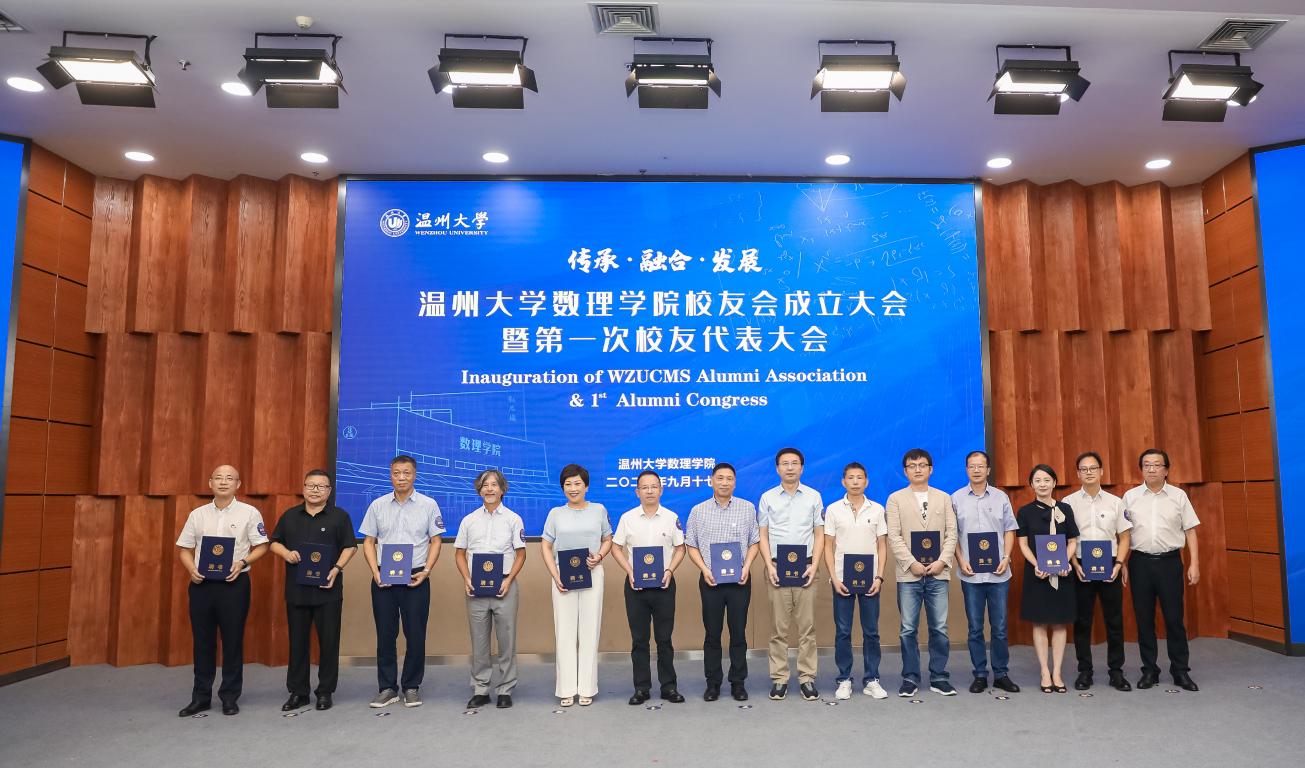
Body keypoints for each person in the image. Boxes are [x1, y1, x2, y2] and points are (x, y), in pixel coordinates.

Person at [175, 465, 269, 717]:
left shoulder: (250, 513)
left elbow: (262, 546)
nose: (223, 482)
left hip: (234, 584)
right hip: (201, 585)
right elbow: (184, 549)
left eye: (229, 478)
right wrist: (191, 569)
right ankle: (200, 697)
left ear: (238, 484)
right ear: (210, 483)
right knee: (202, 642)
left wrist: (242, 562)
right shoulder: (197, 514)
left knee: (232, 641)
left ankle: (229, 696)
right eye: (218, 477)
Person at [359, 454, 445, 709]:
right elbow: (368, 541)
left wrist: (427, 570)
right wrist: (374, 571)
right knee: (385, 634)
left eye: (406, 473)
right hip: (383, 577)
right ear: (390, 475)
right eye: (396, 473)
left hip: (416, 577)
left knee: (415, 634)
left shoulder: (429, 504)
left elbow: (436, 540)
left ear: (414, 475)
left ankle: (411, 686)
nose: (401, 478)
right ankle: (387, 688)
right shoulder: (377, 505)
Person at [268, 469, 357, 711]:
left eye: (321, 486)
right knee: (298, 643)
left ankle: (325, 691)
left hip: (328, 590)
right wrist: (286, 553)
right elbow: (274, 542)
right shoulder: (290, 516)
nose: (315, 490)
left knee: (329, 643)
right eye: (310, 485)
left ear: (329, 491)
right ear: (304, 488)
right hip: (297, 590)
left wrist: (337, 568)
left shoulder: (340, 517)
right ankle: (298, 692)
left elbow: (350, 547)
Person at [1122, 448, 1200, 692]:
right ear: (1141, 469)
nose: (1152, 469)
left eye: (1157, 465)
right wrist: (1122, 563)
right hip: (1140, 563)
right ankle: (1149, 670)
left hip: (1169, 563)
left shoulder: (1179, 496)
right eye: (1147, 465)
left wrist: (1195, 563)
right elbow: (1123, 534)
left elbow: (1190, 531)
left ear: (1166, 470)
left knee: (1174, 619)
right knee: (1144, 619)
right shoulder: (1130, 497)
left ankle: (1180, 671)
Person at [684, 462, 760, 702]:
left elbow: (754, 542)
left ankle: (738, 683)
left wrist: (746, 567)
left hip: (740, 581)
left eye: (729, 479)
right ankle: (713, 683)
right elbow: (691, 545)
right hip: (711, 581)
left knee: (738, 633)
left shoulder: (747, 508)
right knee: (712, 634)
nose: (724, 483)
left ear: (735, 482)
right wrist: (704, 569)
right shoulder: (698, 511)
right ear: (711, 481)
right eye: (720, 478)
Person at [885, 448, 958, 697]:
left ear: (931, 469)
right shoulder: (895, 499)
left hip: (938, 573)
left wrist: (942, 561)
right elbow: (894, 536)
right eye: (912, 466)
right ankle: (910, 677)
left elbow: (952, 534)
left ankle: (939, 677)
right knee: (908, 629)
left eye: (922, 465)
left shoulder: (944, 498)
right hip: (909, 575)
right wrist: (911, 563)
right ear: (905, 471)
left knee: (940, 628)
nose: (917, 469)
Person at [610, 470, 687, 705]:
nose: (650, 491)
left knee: (664, 638)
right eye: (645, 487)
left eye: (654, 486)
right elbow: (615, 547)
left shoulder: (671, 517)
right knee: (639, 639)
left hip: (664, 585)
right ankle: (641, 688)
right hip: (636, 587)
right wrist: (629, 571)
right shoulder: (627, 518)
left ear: (661, 490)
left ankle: (669, 686)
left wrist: (670, 570)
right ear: (637, 492)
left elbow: (680, 548)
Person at [454, 469, 528, 709]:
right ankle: (481, 689)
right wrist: (466, 578)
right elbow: (459, 554)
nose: (489, 489)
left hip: (504, 586)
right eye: (485, 485)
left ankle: (505, 689)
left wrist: (509, 580)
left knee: (507, 640)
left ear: (502, 489)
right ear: (479, 490)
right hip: (475, 588)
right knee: (479, 642)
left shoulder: (513, 519)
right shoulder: (469, 520)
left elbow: (520, 554)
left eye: (494, 484)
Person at [541, 463, 613, 707]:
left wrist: (599, 556)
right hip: (563, 576)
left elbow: (607, 539)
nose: (573, 488)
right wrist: (555, 574)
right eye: (568, 484)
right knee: (564, 631)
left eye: (577, 483)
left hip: (593, 574)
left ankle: (586, 688)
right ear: (563, 488)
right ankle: (566, 689)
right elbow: (546, 545)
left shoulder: (599, 510)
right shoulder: (555, 514)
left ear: (586, 486)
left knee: (590, 630)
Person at [758, 447, 825, 701]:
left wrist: (814, 564)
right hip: (777, 568)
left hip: (806, 567)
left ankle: (807, 678)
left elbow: (819, 533)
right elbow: (763, 534)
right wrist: (769, 565)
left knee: (807, 627)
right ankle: (779, 678)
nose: (789, 467)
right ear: (777, 468)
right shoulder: (767, 498)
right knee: (779, 628)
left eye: (794, 463)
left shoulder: (813, 496)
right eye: (785, 463)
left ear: (802, 468)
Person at [951, 450, 1020, 694]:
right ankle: (980, 674)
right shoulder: (956, 498)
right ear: (966, 470)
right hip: (970, 574)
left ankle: (1001, 673)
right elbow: (952, 535)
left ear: (988, 470)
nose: (976, 470)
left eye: (981, 466)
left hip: (999, 573)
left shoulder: (1001, 497)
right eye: (972, 466)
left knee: (999, 627)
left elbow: (1010, 529)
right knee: (975, 628)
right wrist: (960, 560)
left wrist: (1006, 557)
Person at [1064, 451, 1132, 692]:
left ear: (1101, 471)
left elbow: (1124, 537)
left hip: (1110, 565)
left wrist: (1119, 564)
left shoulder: (1116, 502)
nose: (1089, 472)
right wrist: (1074, 564)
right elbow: (1066, 538)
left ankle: (1116, 672)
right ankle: (1085, 671)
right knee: (1082, 621)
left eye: (1093, 468)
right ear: (1078, 474)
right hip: (1080, 565)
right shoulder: (1069, 503)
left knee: (1114, 620)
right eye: (1084, 469)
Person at [822, 461, 888, 700]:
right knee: (843, 631)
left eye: (860, 477)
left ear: (866, 481)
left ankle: (872, 679)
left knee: (871, 631)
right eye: (851, 478)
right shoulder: (833, 509)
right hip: (842, 580)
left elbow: (882, 546)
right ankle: (844, 679)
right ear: (843, 482)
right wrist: (834, 577)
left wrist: (879, 577)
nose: (855, 482)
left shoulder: (877, 509)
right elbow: (828, 546)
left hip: (871, 580)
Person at [1016, 464, 1080, 694]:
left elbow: (1072, 541)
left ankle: (1057, 672)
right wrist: (1037, 564)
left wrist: (1064, 561)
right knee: (1040, 622)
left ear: (1054, 482)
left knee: (1060, 623)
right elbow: (1023, 543)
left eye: (1046, 480)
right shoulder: (1025, 511)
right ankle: (1045, 671)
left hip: (1062, 574)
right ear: (1031, 484)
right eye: (1037, 480)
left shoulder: (1066, 509)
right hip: (1038, 574)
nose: (1042, 484)